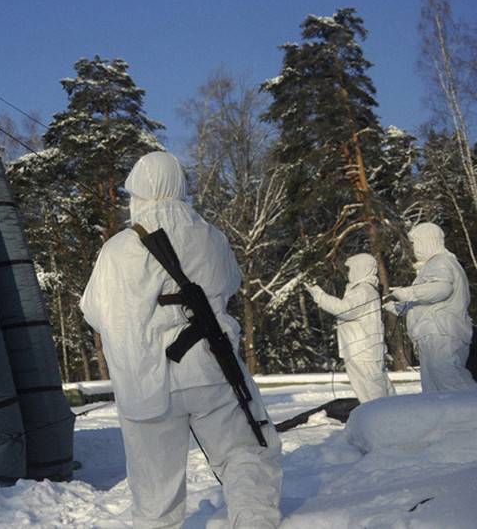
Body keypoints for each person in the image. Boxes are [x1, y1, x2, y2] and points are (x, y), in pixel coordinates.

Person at [82, 151, 282, 529]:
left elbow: (95, 310)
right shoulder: (212, 237)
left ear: (137, 191)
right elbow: (231, 283)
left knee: (154, 491)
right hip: (212, 368)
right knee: (245, 454)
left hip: (147, 381)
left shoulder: (118, 248)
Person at [385, 222, 477, 393]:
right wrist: (399, 307)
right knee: (434, 385)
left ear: (427, 241)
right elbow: (425, 302)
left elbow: (441, 289)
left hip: (441, 331)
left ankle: (471, 407)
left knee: (449, 377)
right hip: (431, 331)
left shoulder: (441, 262)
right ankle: (446, 417)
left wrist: (408, 292)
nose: (412, 248)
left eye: (415, 242)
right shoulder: (434, 265)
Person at [304, 253, 396, 402]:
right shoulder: (366, 289)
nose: (348, 273)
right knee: (381, 389)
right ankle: (394, 416)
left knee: (372, 394)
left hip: (362, 350)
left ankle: (382, 420)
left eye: (351, 269)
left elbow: (344, 309)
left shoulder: (363, 290)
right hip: (364, 350)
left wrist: (320, 296)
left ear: (361, 269)